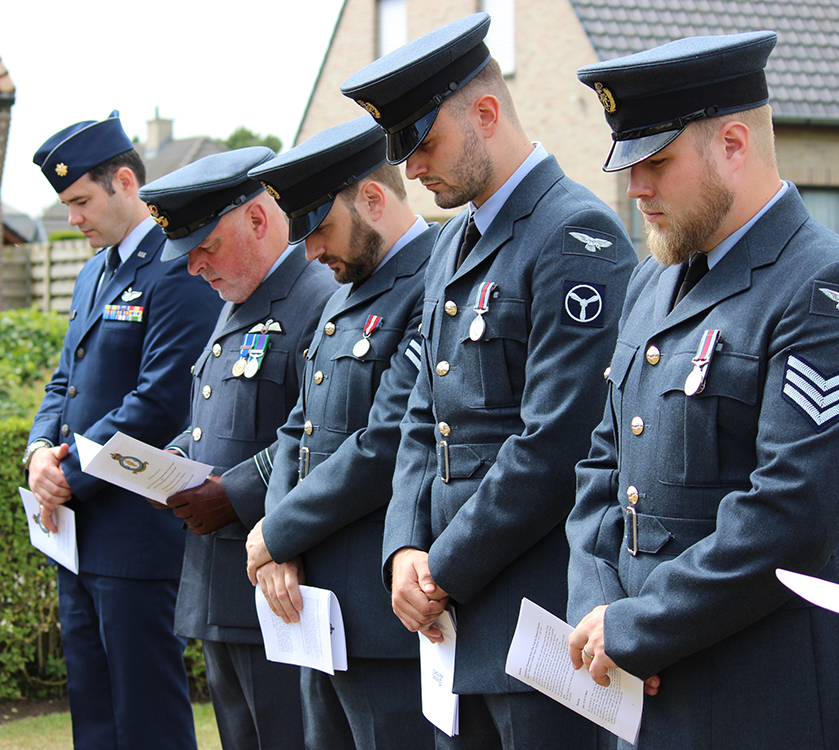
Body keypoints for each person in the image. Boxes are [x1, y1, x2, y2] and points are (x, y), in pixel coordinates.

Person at [340, 14, 636, 749]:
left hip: (535, 623)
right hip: (454, 626)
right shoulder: (453, 245)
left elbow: (555, 444)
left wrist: (441, 565)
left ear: (487, 112)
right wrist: (404, 544)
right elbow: (420, 412)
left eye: (426, 144)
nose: (412, 170)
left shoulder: (575, 237)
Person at [566, 31, 839, 750]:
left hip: (749, 701)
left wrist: (640, 625)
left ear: (734, 145)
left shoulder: (816, 285)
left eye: (656, 161)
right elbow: (602, 464)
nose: (636, 188)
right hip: (631, 688)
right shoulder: (654, 277)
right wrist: (598, 607)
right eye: (629, 165)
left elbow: (790, 512)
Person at [25, 111, 221, 750]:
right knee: (93, 707)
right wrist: (37, 455)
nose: (72, 217)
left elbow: (162, 401)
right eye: (65, 204)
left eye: (81, 201)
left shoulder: (175, 269)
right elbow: (65, 384)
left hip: (138, 533)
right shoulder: (91, 274)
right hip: (78, 535)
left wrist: (67, 474)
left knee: (146, 713)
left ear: (126, 182)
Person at [243, 115, 439, 750]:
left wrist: (278, 532)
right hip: (314, 606)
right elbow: (297, 429)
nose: (312, 254)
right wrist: (279, 543)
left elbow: (386, 441)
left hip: (383, 618)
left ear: (374, 200)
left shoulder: (431, 281)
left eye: (320, 229)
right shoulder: (340, 293)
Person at [138, 147, 337, 750]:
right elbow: (214, 421)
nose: (195, 267)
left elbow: (327, 430)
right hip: (219, 586)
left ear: (257, 218)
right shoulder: (236, 302)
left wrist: (235, 492)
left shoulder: (318, 296)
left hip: (280, 585)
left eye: (206, 247)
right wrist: (166, 467)